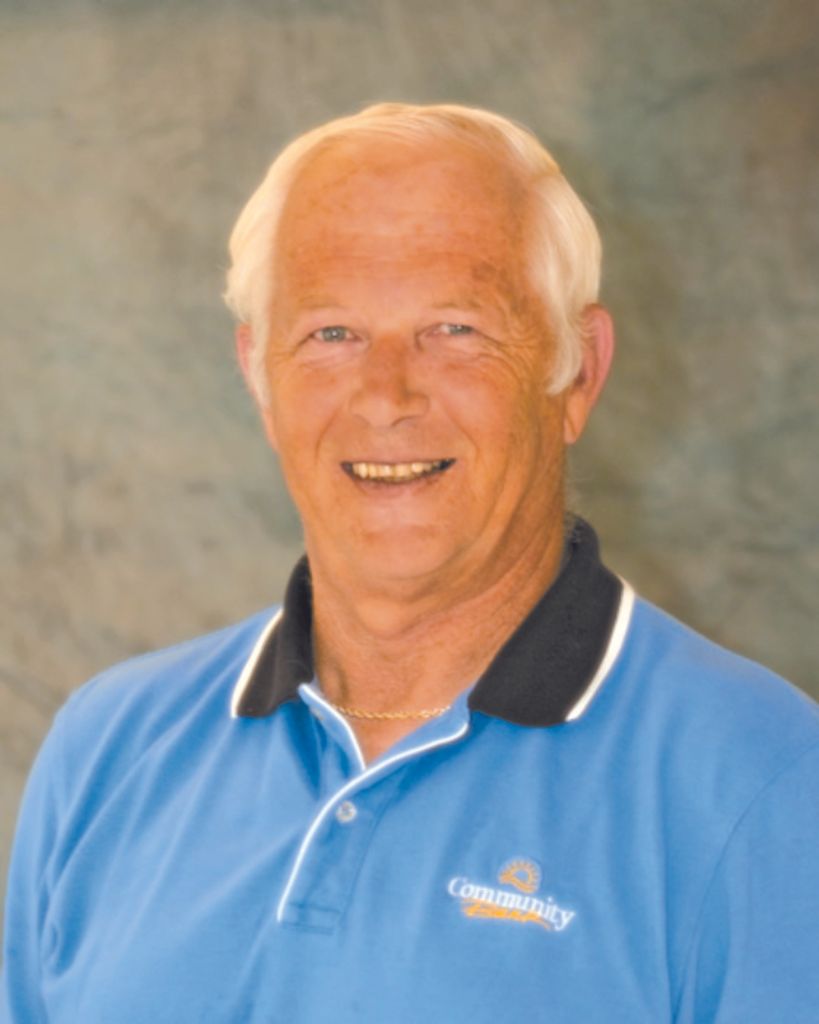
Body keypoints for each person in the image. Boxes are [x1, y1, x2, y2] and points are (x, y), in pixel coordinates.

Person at [2, 103, 817, 1023]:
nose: (386, 395)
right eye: (331, 334)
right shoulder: (107, 750)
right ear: (259, 378)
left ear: (576, 372)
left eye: (454, 328)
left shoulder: (767, 781)